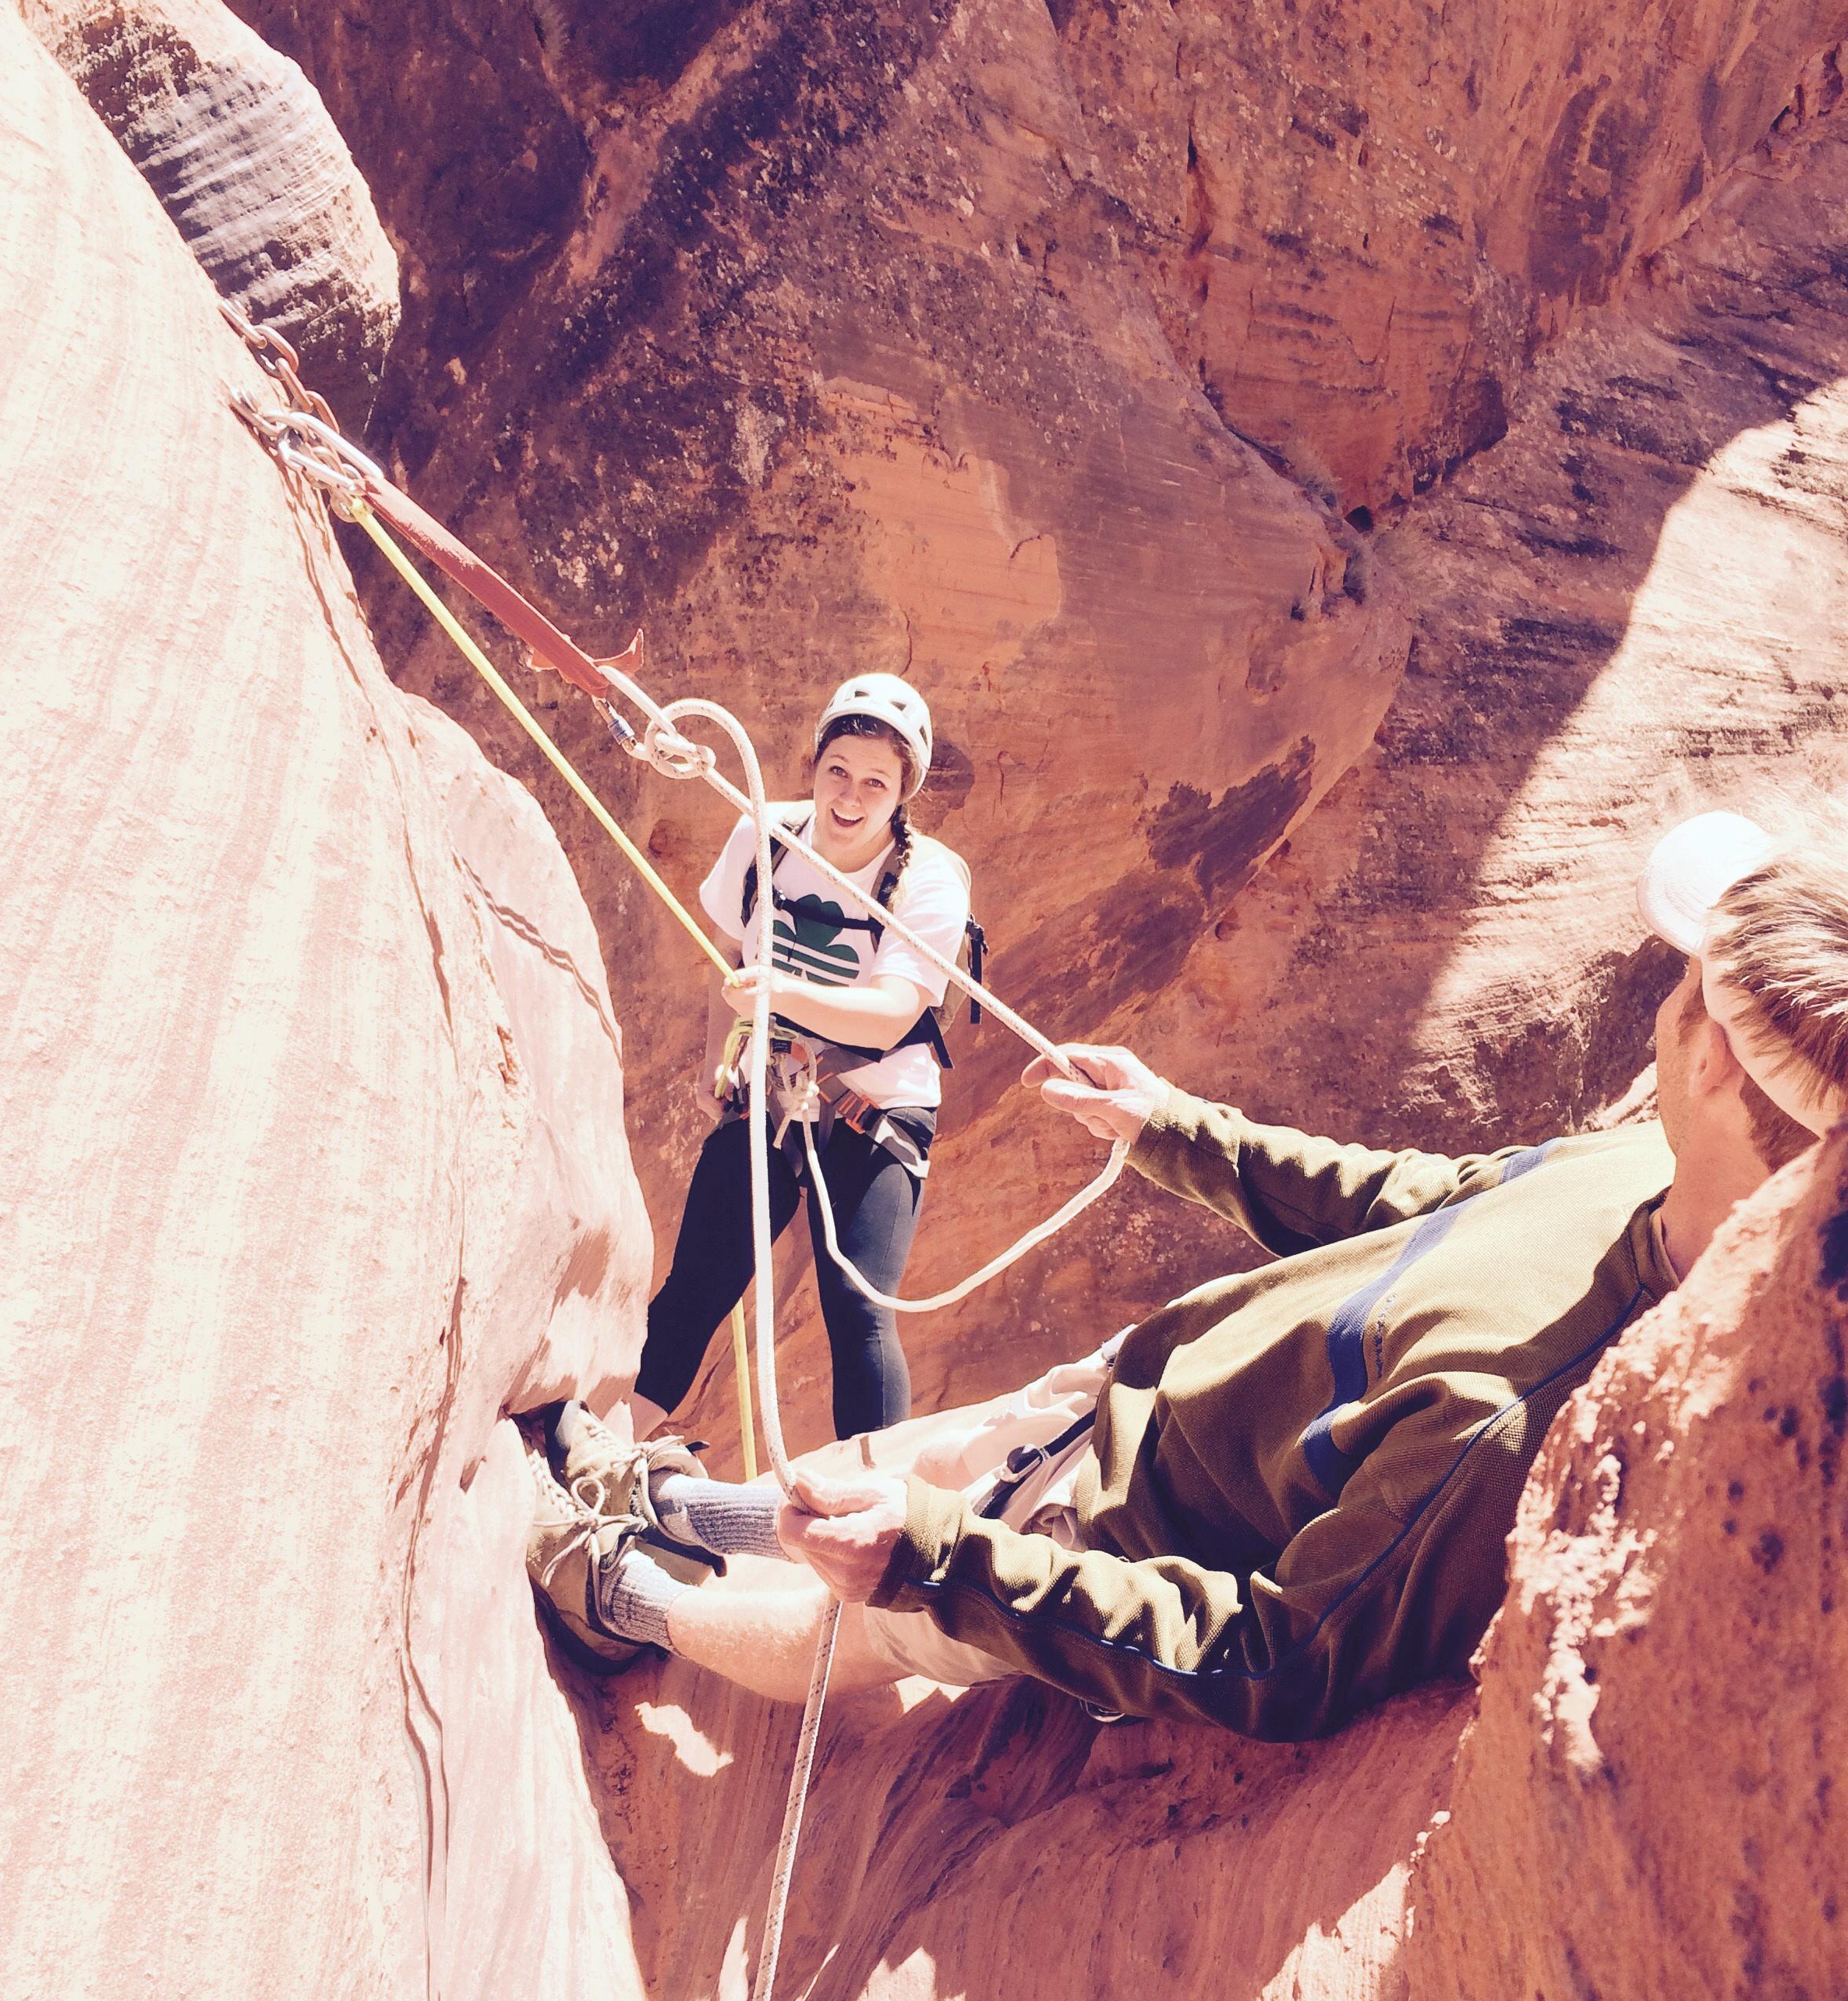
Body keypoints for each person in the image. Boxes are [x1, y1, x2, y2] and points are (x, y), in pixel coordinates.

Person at [525, 809, 1845, 1730]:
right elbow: (1424, 1202)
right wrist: (1172, 1127)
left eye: (1690, 975)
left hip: (1110, 1528)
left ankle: (622, 1595)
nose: (1666, 979)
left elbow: (1286, 1656)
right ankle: (684, 1511)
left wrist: (948, 1568)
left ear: (1716, 1060)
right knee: (903, 1464)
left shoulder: (1514, 1411)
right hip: (1151, 1385)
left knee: (852, 1630)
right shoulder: (1640, 1171)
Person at [629, 671, 973, 1445]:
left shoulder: (928, 883)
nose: (850, 798)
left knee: (857, 1311)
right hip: (767, 1099)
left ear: (902, 794)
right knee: (694, 1289)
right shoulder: (762, 836)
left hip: (872, 1111)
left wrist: (777, 994)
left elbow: (891, 1014)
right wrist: (711, 1062)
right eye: (838, 773)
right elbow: (723, 961)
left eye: (875, 784)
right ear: (815, 767)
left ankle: (874, 1506)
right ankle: (609, 1452)